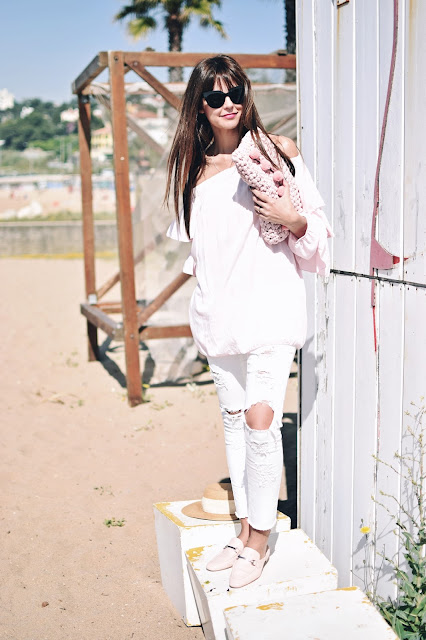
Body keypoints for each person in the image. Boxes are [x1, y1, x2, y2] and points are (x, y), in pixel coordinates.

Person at [165, 55, 331, 588]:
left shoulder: (277, 152)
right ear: (200, 105)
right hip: (219, 318)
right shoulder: (194, 172)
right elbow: (200, 253)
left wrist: (292, 218)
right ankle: (242, 533)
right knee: (236, 424)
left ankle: (258, 540)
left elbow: (318, 230)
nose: (228, 103)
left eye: (235, 92)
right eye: (215, 96)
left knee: (262, 422)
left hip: (271, 309)